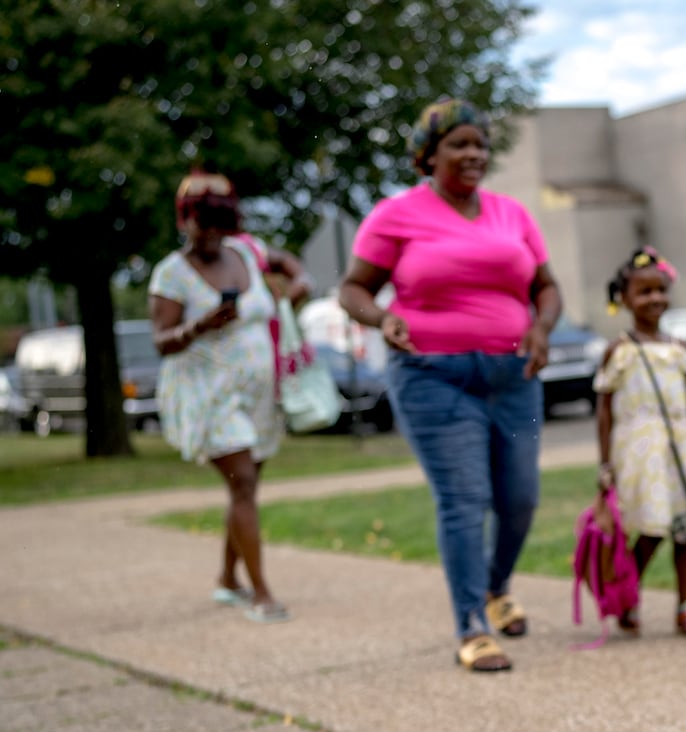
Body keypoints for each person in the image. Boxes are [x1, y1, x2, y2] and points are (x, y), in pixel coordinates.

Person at [338, 98, 562, 673]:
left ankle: (495, 586)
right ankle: (471, 625)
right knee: (464, 500)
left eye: (480, 145)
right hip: (433, 377)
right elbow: (354, 289)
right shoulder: (395, 215)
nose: (473, 154)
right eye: (459, 144)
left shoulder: (512, 214)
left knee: (519, 499)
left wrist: (540, 326)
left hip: (514, 375)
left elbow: (546, 287)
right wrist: (380, 318)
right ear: (428, 154)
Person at [149, 171, 312, 624]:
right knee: (242, 483)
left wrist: (300, 284)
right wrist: (202, 324)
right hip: (208, 394)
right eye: (205, 222)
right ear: (185, 221)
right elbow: (161, 340)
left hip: (257, 393)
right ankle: (261, 594)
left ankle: (226, 579)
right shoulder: (171, 274)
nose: (214, 233)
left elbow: (291, 265)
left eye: (222, 222)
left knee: (246, 488)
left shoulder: (246, 252)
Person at [593, 247, 686, 639]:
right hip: (639, 456)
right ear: (623, 299)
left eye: (660, 290)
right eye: (644, 292)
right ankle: (626, 596)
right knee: (652, 530)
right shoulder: (618, 351)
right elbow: (603, 411)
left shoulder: (678, 349)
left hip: (678, 453)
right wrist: (604, 464)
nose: (654, 299)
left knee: (685, 531)